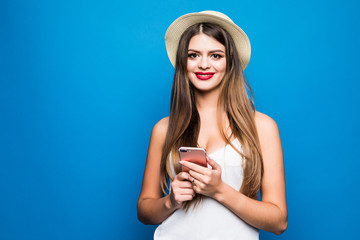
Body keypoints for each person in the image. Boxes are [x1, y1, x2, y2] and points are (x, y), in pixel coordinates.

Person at [137, 10, 287, 239]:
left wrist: (220, 191)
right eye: (193, 55)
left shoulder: (262, 127)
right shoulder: (164, 129)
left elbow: (279, 221)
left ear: (230, 62)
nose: (204, 65)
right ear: (183, 62)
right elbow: (144, 212)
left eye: (215, 55)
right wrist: (171, 201)